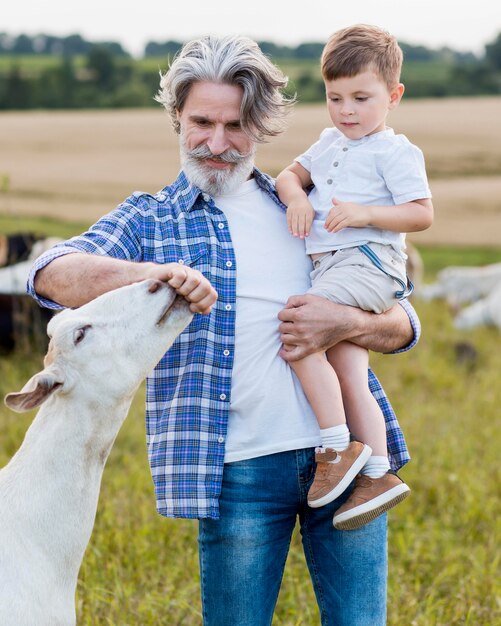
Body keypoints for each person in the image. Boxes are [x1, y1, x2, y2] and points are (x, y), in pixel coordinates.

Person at [28, 34, 420, 626]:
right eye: (201, 121)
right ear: (177, 120)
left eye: (235, 124)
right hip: (236, 475)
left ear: (261, 125)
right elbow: (49, 272)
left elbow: (402, 322)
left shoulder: (308, 206)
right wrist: (151, 274)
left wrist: (345, 321)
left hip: (351, 465)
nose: (216, 142)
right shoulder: (151, 220)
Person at [276, 24, 433, 530]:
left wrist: (366, 212)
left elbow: (421, 214)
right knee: (348, 369)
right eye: (335, 97)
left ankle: (336, 447)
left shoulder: (395, 152)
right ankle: (378, 473)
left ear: (394, 96)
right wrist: (298, 197)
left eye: (361, 98)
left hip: (367, 261)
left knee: (299, 332)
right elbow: (286, 176)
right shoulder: (328, 142)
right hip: (335, 264)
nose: (346, 110)